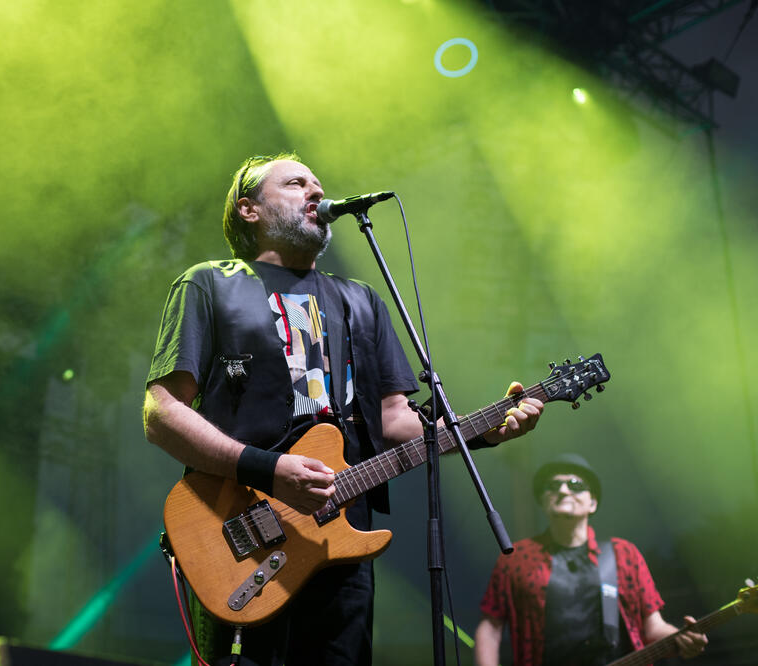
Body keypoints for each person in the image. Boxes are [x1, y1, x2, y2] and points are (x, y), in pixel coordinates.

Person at [143, 153, 544, 666]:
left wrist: (487, 430)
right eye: (295, 183)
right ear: (249, 210)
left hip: (339, 538)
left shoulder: (360, 301)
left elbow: (396, 420)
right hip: (239, 532)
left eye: (318, 183)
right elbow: (161, 412)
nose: (315, 191)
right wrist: (271, 469)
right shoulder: (210, 285)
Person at [474, 453, 708, 666]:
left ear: (592, 502)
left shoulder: (623, 553)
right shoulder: (515, 558)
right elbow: (490, 628)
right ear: (542, 500)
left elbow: (653, 626)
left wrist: (682, 639)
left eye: (575, 485)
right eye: (553, 485)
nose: (564, 491)